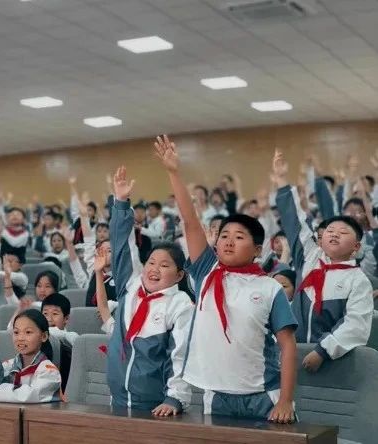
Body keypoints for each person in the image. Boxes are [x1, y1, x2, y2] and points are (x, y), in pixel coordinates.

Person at [155, 135, 296, 423]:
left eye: (239, 237)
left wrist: (285, 400)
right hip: (216, 395)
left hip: (263, 395)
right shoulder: (206, 271)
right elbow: (191, 222)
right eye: (224, 236)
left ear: (257, 250)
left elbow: (288, 346)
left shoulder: (270, 287)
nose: (229, 241)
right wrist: (173, 172)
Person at [273, 149, 373, 372]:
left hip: (332, 362)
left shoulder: (358, 281)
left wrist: (323, 350)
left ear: (356, 247)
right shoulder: (310, 257)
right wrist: (282, 181)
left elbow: (356, 325)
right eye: (330, 231)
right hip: (292, 352)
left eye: (343, 233)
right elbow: (294, 221)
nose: (334, 234)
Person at [106, 165, 194, 414]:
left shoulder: (181, 304)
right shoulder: (131, 287)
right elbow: (121, 246)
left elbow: (181, 355)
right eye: (151, 263)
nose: (154, 269)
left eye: (164, 265)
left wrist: (174, 399)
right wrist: (121, 204)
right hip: (117, 399)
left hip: (156, 406)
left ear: (179, 275)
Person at [0, 310, 62, 403]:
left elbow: (30, 395)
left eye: (28, 332)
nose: (20, 338)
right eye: (16, 332)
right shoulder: (9, 365)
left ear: (44, 336)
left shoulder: (49, 371)